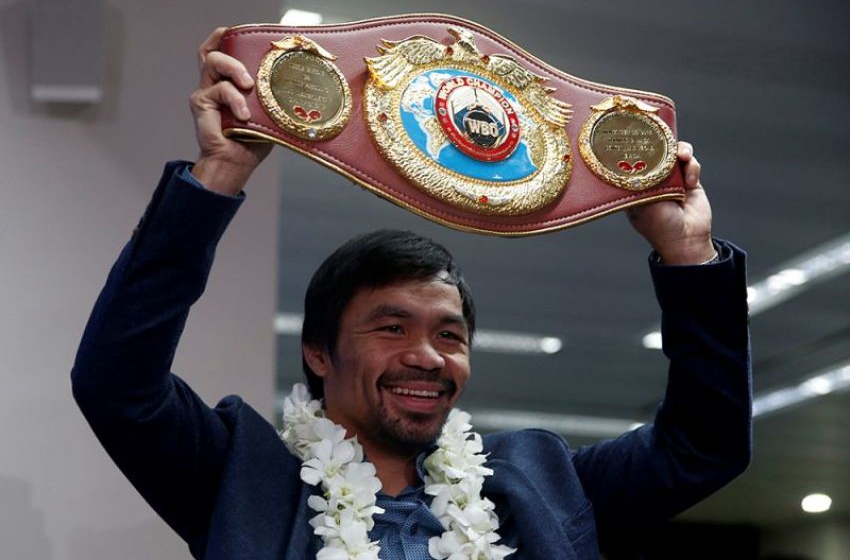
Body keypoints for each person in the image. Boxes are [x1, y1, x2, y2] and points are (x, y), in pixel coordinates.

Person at [71, 28, 751, 560]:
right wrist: (215, 176)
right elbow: (116, 384)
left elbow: (704, 446)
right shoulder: (239, 479)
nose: (427, 356)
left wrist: (686, 251)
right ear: (318, 353)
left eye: (449, 335)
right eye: (390, 328)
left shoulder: (544, 485)